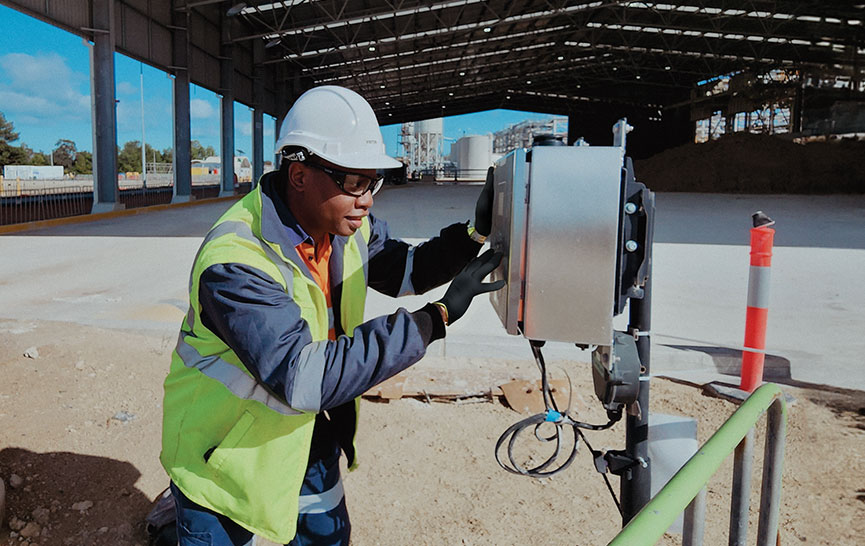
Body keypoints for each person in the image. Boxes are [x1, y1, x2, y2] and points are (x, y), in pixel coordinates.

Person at [160, 85, 503, 546]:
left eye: (374, 182)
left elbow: (405, 269)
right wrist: (433, 320)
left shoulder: (341, 229)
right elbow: (303, 376)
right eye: (356, 182)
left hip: (301, 435)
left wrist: (471, 235)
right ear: (299, 175)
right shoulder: (237, 262)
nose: (368, 200)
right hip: (223, 459)